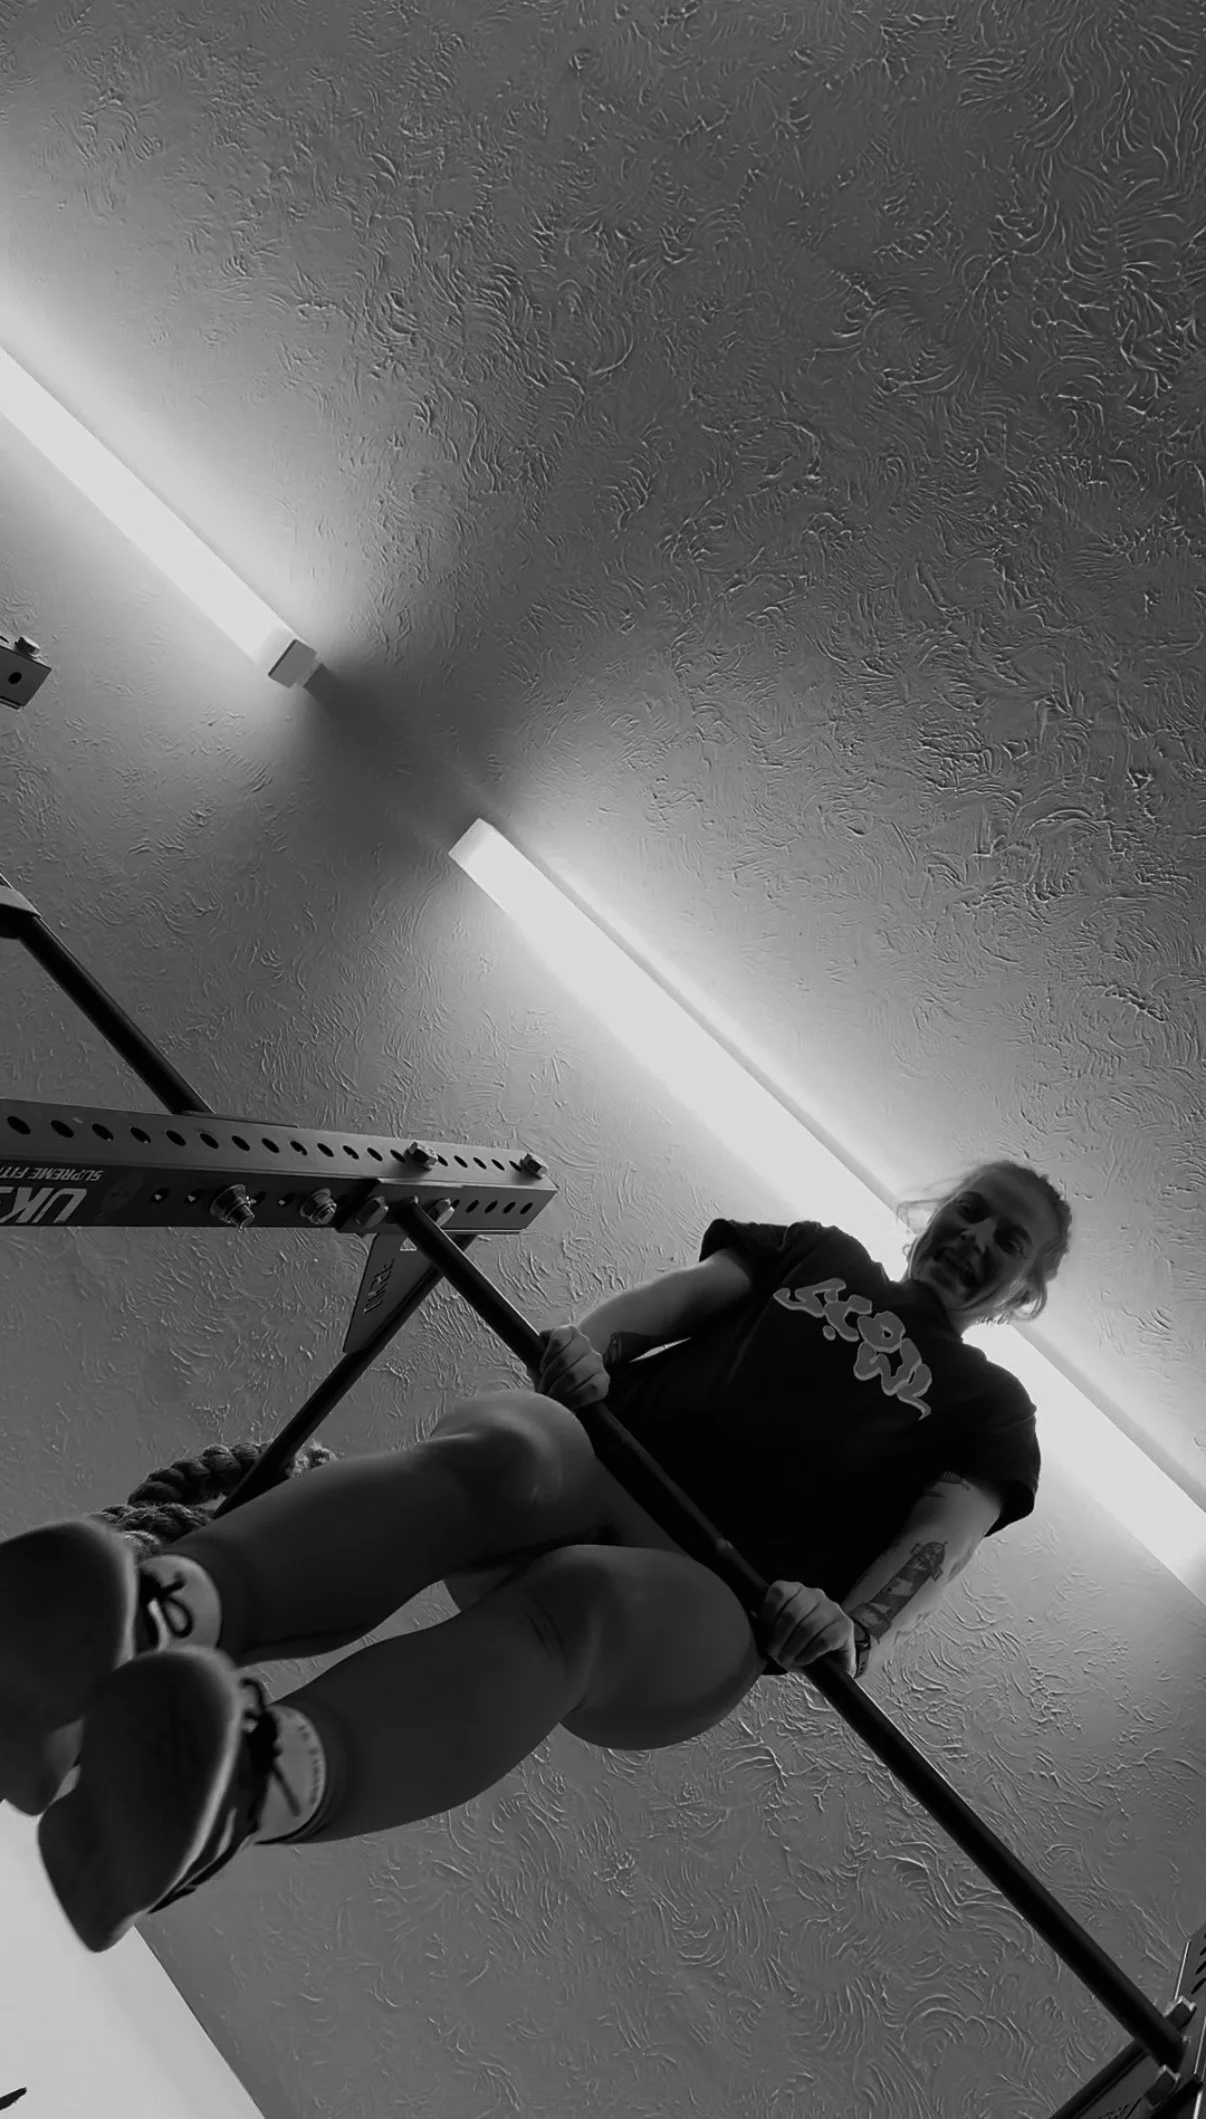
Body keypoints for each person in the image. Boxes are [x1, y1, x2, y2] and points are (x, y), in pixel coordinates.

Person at [0, 1156, 1070, 1955]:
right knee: (505, 1448)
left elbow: (946, 1535)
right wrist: (587, 1347)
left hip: (706, 1596)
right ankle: (154, 1612)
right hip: (597, 1460)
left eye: (1008, 1239)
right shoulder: (814, 1251)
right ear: (935, 1214)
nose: (976, 1234)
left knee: (584, 1602)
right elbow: (674, 1304)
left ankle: (247, 1791)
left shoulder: (991, 1408)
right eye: (970, 1207)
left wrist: (855, 1623)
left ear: (1022, 1292)